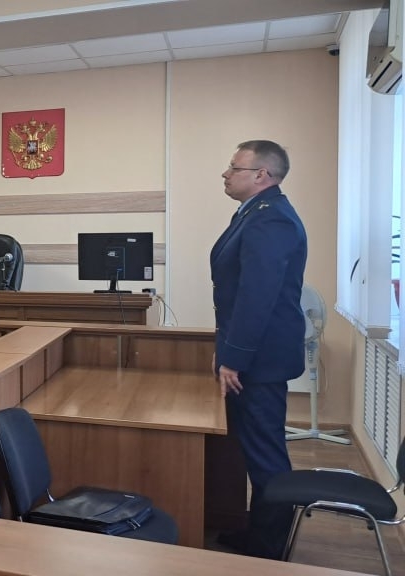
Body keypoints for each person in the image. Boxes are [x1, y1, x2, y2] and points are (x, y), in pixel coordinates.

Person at [210, 140, 307, 560]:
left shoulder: (272, 219)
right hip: (254, 355)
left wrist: (235, 357)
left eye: (234, 167)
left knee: (266, 454)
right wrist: (226, 349)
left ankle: (269, 550)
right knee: (254, 448)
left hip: (260, 361)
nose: (226, 173)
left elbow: (257, 296)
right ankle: (256, 532)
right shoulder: (255, 212)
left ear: (261, 175)